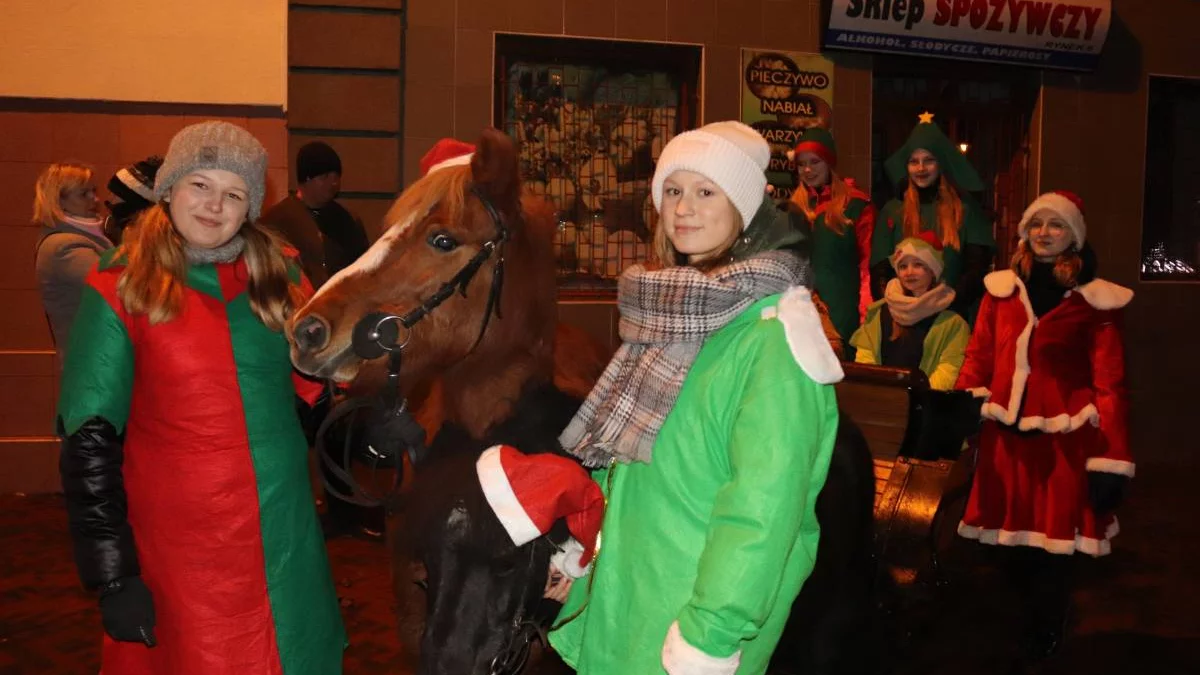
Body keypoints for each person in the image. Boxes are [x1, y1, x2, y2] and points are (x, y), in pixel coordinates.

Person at [547, 121, 844, 675]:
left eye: (706, 192)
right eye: (672, 191)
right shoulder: (666, 317)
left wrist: (711, 631)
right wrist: (584, 548)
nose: (683, 208)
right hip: (630, 587)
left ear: (745, 209)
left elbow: (766, 506)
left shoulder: (775, 337)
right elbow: (630, 459)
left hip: (690, 613)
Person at [57, 121, 345, 674]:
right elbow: (89, 442)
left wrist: (371, 427)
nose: (215, 206)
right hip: (181, 561)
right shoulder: (122, 284)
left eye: (234, 194)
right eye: (200, 185)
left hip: (282, 547)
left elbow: (316, 404)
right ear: (169, 189)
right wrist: (114, 576)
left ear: (251, 207)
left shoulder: (278, 276)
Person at [954, 191, 1132, 661]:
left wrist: (1112, 460)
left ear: (1074, 236)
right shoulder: (1001, 289)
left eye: (1056, 225)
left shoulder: (1094, 301)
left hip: (1065, 445)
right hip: (1005, 440)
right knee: (1010, 547)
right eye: (1037, 224)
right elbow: (979, 355)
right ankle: (1019, 625)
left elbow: (1110, 383)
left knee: (1055, 551)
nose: (1044, 233)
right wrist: (963, 406)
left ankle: (1047, 628)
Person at [870, 113, 995, 323]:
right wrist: (897, 311)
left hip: (952, 317)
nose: (921, 168)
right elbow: (880, 271)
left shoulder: (965, 210)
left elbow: (976, 269)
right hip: (902, 319)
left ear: (941, 164)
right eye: (914, 161)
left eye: (928, 160)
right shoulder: (892, 211)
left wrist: (945, 306)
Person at [788, 127, 875, 357]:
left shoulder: (855, 205)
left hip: (843, 313)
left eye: (814, 162)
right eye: (801, 164)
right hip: (800, 313)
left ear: (829, 162)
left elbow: (868, 264)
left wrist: (866, 313)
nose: (807, 170)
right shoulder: (792, 209)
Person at [851, 231, 969, 390]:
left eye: (918, 264)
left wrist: (910, 403)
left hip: (924, 407)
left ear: (933, 270)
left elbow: (946, 374)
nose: (909, 272)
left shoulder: (953, 324)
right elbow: (866, 365)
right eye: (903, 266)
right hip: (881, 405)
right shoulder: (879, 314)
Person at [33, 162, 112, 368]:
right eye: (84, 193)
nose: (95, 199)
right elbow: (120, 287)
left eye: (93, 191)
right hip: (92, 361)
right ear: (60, 200)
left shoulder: (86, 239)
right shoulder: (65, 247)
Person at [260, 140, 369, 288]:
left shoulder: (347, 219)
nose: (333, 183)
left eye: (336, 177)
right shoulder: (276, 221)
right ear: (307, 179)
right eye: (325, 177)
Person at [103, 156, 164, 244]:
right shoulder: (112, 224)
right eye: (110, 192)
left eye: (116, 195)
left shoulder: (148, 237)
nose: (110, 198)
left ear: (134, 202)